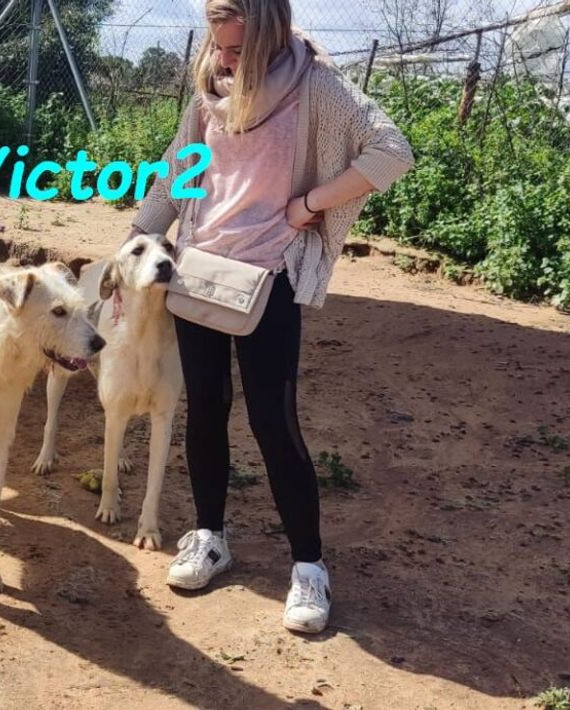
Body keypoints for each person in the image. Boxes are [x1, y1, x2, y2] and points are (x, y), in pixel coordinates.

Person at [128, 0, 413, 633]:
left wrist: (312, 202)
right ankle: (209, 537)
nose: (224, 61)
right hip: (200, 270)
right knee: (205, 409)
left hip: (271, 275)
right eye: (218, 46)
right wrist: (136, 240)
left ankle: (309, 566)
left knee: (272, 420)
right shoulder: (211, 88)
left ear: (270, 36)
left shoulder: (315, 86)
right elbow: (177, 172)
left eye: (238, 50)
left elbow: (391, 151)